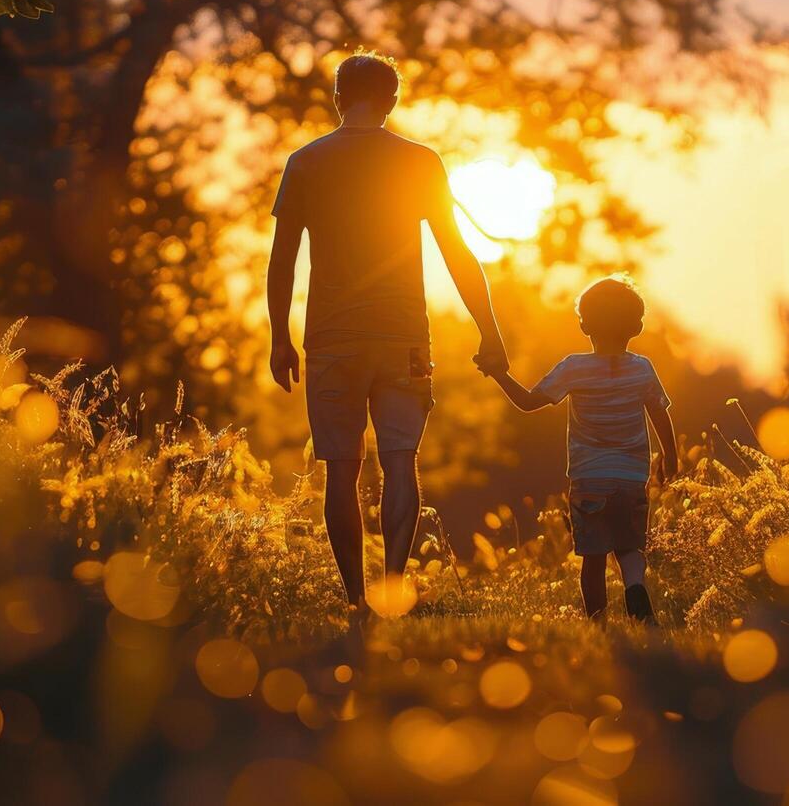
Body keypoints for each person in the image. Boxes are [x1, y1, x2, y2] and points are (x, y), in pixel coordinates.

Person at [266, 51, 509, 622]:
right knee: (402, 462)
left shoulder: (306, 162)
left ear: (337, 98)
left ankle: (355, 599)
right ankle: (393, 588)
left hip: (330, 340)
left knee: (341, 469)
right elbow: (457, 253)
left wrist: (282, 335)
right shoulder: (421, 162)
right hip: (405, 339)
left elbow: (282, 261)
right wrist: (488, 331)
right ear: (393, 100)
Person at [478, 275, 678, 623]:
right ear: (637, 325)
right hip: (632, 478)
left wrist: (499, 374)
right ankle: (634, 586)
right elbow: (660, 415)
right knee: (630, 546)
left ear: (584, 324)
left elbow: (527, 403)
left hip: (589, 479)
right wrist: (670, 458)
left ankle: (598, 625)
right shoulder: (642, 369)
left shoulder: (574, 368)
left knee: (594, 557)